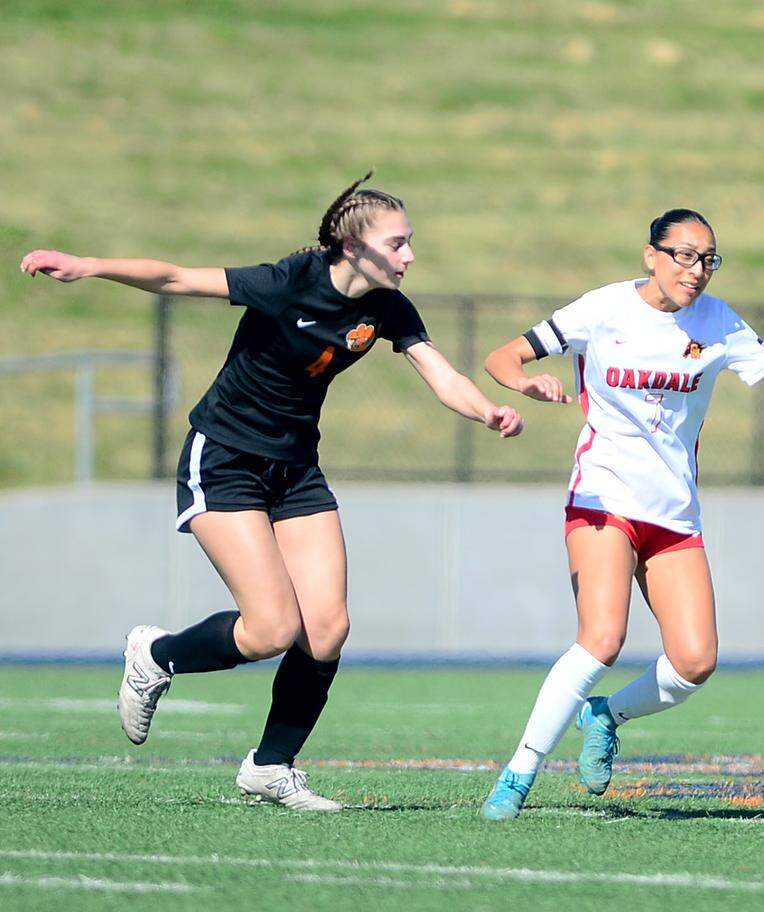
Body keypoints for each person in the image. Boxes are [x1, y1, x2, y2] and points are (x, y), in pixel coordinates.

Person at [20, 172, 523, 811]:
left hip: (295, 470)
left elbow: (440, 373)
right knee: (270, 630)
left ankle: (270, 766)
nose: (410, 256)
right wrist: (87, 265)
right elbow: (175, 278)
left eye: (410, 242)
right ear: (352, 246)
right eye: (398, 243)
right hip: (225, 457)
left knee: (327, 629)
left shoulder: (388, 307)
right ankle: (156, 654)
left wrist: (488, 412)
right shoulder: (289, 281)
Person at [478, 208, 764, 820]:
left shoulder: (719, 323)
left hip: (674, 516)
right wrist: (525, 384)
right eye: (685, 255)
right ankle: (518, 775)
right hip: (603, 501)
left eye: (709, 258)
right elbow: (502, 357)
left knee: (695, 661)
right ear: (651, 255)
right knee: (602, 639)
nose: (698, 270)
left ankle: (606, 715)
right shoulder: (603, 309)